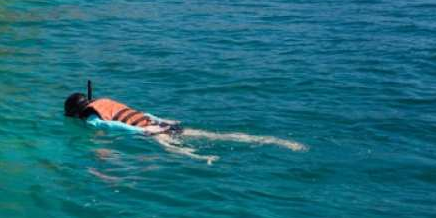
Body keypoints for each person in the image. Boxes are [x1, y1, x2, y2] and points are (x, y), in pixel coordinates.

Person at [64, 88, 305, 162]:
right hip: (155, 122)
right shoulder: (106, 101)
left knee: (174, 150)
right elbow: (140, 113)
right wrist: (161, 120)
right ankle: (275, 140)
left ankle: (202, 159)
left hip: (150, 131)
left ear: (76, 113)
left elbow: (116, 127)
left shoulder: (92, 119)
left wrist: (145, 130)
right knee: (215, 135)